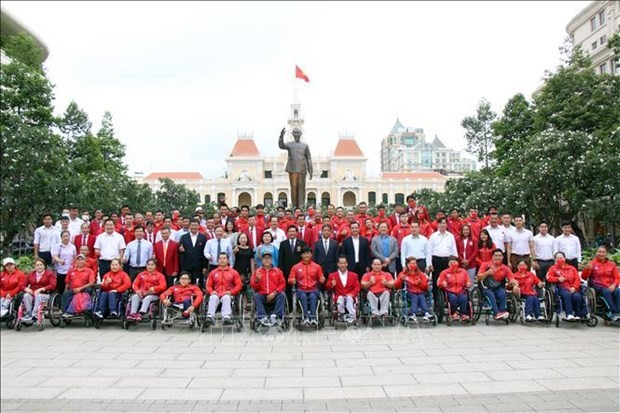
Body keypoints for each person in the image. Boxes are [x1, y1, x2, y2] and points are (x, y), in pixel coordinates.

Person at [581, 245, 620, 321]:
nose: (601, 254)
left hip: (610, 285)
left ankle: (618, 312)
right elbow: (584, 277)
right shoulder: (592, 263)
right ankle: (613, 312)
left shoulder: (612, 264)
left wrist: (614, 284)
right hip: (598, 286)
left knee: (618, 291)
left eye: (603, 252)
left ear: (606, 253)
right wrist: (586, 269)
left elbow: (617, 278)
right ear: (596, 253)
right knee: (606, 291)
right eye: (599, 252)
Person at [289, 246, 325, 326]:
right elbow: (290, 279)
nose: (306, 255)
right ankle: (305, 317)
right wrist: (292, 280)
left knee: (313, 296)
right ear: (301, 255)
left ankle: (313, 318)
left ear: (311, 255)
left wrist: (322, 279)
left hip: (313, 289)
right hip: (301, 289)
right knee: (303, 296)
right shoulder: (296, 267)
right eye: (304, 254)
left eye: (308, 253)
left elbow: (321, 278)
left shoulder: (317, 267)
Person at [278, 126, 313, 207]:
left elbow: (309, 158)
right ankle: (294, 206)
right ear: (292, 134)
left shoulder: (305, 145)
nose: (296, 134)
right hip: (292, 169)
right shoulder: (290, 144)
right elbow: (281, 146)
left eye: (298, 132)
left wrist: (311, 170)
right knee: (293, 188)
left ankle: (301, 206)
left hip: (302, 169)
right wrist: (281, 137)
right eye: (295, 132)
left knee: (301, 188)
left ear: (301, 134)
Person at [251, 251, 287, 327]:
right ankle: (262, 317)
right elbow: (254, 287)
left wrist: (275, 292)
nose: (267, 260)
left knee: (282, 294)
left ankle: (274, 315)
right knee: (256, 296)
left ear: (271, 259)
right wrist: (257, 280)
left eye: (268, 258)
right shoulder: (257, 272)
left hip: (275, 294)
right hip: (262, 294)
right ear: (262, 260)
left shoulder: (277, 271)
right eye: (265, 258)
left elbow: (282, 284)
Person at [205, 253, 242, 326]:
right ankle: (210, 316)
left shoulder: (234, 272)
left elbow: (239, 285)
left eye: (224, 258)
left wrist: (231, 292)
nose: (222, 260)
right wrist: (211, 292)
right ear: (218, 260)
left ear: (228, 260)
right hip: (217, 294)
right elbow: (208, 286)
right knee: (213, 297)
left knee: (226, 297)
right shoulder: (213, 272)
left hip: (228, 295)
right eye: (220, 258)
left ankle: (226, 317)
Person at [477, 249, 515, 320]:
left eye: (500, 256)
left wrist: (515, 285)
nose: (498, 257)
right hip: (486, 287)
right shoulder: (485, 265)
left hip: (498, 287)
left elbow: (511, 278)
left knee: (503, 293)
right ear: (492, 257)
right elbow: (478, 277)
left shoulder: (505, 268)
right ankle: (496, 313)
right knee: (490, 294)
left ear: (502, 257)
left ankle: (501, 311)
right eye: (496, 256)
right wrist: (487, 273)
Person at [546, 251, 585, 320]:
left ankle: (578, 314)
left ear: (565, 258)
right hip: (561, 288)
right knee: (567, 295)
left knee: (577, 296)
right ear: (555, 259)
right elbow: (548, 278)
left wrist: (574, 287)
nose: (559, 259)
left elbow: (577, 279)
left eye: (561, 258)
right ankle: (569, 314)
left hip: (573, 288)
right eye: (557, 258)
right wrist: (557, 279)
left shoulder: (572, 268)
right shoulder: (553, 268)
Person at [427, 218, 458, 300]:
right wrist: (429, 264)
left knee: (448, 281)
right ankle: (438, 302)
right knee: (436, 280)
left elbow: (454, 250)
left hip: (448, 260)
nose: (442, 225)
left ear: (446, 225)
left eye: (444, 223)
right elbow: (429, 251)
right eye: (440, 223)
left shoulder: (450, 236)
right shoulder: (433, 236)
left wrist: (455, 262)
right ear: (438, 225)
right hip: (436, 260)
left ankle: (447, 300)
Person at [395, 257, 432, 322]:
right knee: (415, 296)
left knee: (421, 297)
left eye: (414, 263)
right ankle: (413, 314)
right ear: (407, 264)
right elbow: (397, 286)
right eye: (411, 263)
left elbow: (426, 287)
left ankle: (426, 313)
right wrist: (401, 280)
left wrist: (420, 283)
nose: (413, 265)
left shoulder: (421, 274)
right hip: (408, 292)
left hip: (420, 292)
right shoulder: (403, 274)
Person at [19, 258, 56, 323]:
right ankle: (29, 313)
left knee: (39, 296)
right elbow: (22, 285)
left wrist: (42, 289)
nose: (39, 267)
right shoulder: (30, 275)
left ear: (44, 266)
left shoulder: (50, 274)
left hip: (45, 294)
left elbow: (53, 285)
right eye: (37, 265)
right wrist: (26, 289)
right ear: (35, 266)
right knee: (26, 295)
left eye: (41, 265)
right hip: (33, 294)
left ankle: (35, 314)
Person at [325, 256, 360, 324]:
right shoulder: (332, 275)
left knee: (349, 299)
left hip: (350, 295)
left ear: (347, 264)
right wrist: (332, 285)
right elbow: (327, 287)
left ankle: (352, 316)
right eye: (341, 263)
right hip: (339, 295)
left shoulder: (354, 275)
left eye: (344, 263)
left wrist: (352, 294)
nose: (342, 265)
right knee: (340, 299)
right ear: (338, 264)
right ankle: (340, 315)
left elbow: (357, 287)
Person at [279, 225, 306, 308]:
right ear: (287, 233)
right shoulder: (283, 244)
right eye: (290, 231)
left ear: (297, 232)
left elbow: (305, 257)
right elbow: (281, 258)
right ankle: (289, 307)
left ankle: (299, 307)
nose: (292, 233)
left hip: (300, 271)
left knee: (300, 289)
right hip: (287, 271)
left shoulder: (302, 243)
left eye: (293, 231)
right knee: (288, 290)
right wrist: (281, 271)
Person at [438, 256, 472, 321]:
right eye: (451, 262)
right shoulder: (444, 272)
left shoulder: (463, 272)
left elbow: (468, 280)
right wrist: (442, 284)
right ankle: (453, 313)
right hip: (449, 290)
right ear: (448, 264)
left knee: (464, 298)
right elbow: (439, 283)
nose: (453, 264)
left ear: (458, 263)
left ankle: (463, 314)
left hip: (460, 290)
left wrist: (468, 283)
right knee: (453, 298)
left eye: (455, 262)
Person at [178, 219, 208, 287]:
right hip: (186, 267)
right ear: (189, 226)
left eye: (195, 225)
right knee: (186, 286)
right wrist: (180, 249)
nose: (194, 227)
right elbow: (180, 251)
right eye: (192, 225)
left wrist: (205, 266)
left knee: (198, 285)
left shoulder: (203, 237)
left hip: (198, 267)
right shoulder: (183, 237)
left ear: (198, 226)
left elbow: (205, 252)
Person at [233, 232, 254, 308]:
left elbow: (252, 262)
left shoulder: (250, 249)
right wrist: (235, 250)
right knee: (237, 289)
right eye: (241, 238)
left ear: (247, 239)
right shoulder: (236, 247)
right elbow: (233, 254)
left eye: (244, 238)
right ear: (239, 239)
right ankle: (236, 306)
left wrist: (252, 272)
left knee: (244, 290)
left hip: (246, 271)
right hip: (237, 271)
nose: (243, 240)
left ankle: (244, 307)